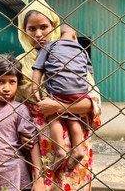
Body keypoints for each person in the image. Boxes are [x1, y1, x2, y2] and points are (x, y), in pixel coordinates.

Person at [17, 0, 101, 190]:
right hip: (36, 143)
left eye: (44, 27)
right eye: (31, 29)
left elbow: (94, 103)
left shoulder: (73, 57)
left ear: (54, 26)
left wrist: (60, 107)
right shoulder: (19, 64)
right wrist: (20, 131)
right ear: (23, 31)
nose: (38, 34)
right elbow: (13, 104)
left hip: (75, 139)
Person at [0, 54, 45, 191]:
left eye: (12, 82)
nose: (7, 88)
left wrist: (38, 177)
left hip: (16, 178)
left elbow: (32, 142)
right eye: (0, 81)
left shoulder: (19, 109)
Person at [31, 24, 94, 171]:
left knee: (53, 116)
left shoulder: (49, 46)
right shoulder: (82, 50)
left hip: (58, 91)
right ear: (74, 35)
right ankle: (78, 150)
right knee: (74, 118)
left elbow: (38, 69)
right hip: (79, 91)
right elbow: (89, 73)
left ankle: (59, 150)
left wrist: (35, 88)